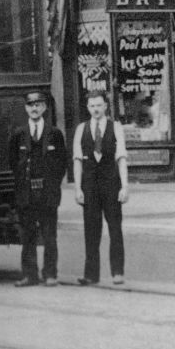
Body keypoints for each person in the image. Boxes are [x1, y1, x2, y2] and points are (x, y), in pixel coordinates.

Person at [7, 91, 68, 287]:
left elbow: (61, 163)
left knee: (50, 235)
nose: (34, 108)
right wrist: (22, 183)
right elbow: (13, 162)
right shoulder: (19, 134)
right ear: (26, 108)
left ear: (44, 108)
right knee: (28, 235)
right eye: (31, 105)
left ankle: (50, 274)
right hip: (26, 193)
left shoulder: (55, 133)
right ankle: (29, 275)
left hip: (47, 192)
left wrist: (51, 185)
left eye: (38, 105)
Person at [73, 92, 130, 286]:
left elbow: (121, 157)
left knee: (115, 228)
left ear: (106, 106)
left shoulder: (116, 127)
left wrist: (125, 186)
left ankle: (117, 272)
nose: (95, 110)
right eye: (91, 106)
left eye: (99, 105)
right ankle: (91, 274)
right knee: (91, 229)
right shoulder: (82, 129)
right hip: (89, 184)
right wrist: (78, 189)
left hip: (111, 183)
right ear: (87, 108)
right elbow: (77, 160)